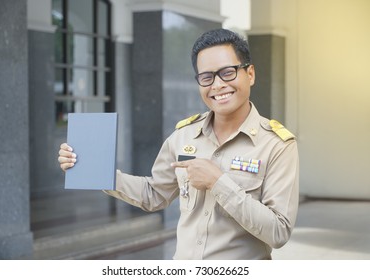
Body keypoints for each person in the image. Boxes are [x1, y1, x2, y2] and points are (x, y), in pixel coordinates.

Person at [58, 28, 299, 260]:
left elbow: (278, 231)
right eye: (206, 77)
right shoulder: (184, 136)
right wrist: (93, 169)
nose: (217, 85)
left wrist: (218, 182)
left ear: (250, 74)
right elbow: (154, 194)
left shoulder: (277, 145)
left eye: (228, 72)